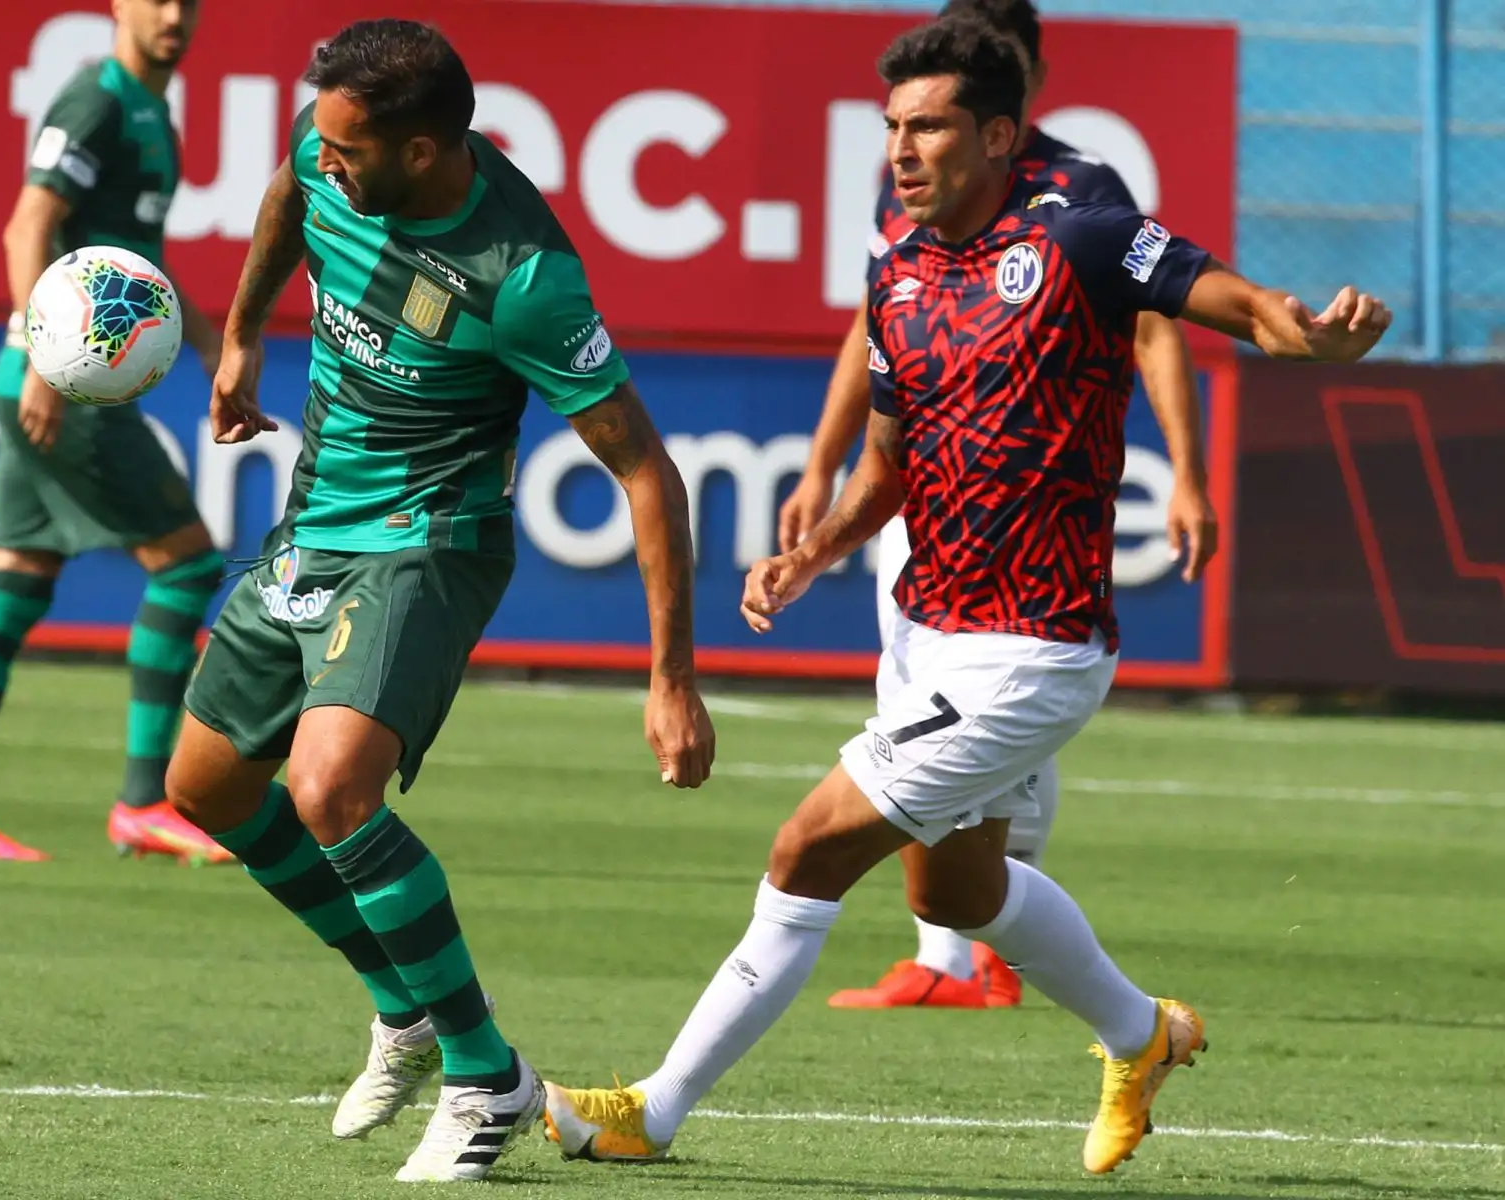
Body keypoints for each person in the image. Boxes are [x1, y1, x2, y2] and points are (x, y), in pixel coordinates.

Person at [544, 16, 1388, 1177]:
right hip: (935, 636)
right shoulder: (897, 274)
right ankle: (1142, 1036)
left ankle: (654, 1106)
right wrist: (816, 547)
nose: (901, 147)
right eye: (892, 126)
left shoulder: (1086, 235)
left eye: (929, 125)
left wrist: (1310, 338)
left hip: (1033, 653)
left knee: (805, 850)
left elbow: (1230, 303)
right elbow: (891, 467)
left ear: (999, 135)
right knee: (961, 886)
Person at [160, 19, 716, 1184]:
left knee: (327, 788)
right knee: (204, 787)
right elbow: (282, 200)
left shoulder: (524, 279)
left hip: (432, 542)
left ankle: (484, 1076)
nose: (327, 160)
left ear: (421, 154)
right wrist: (246, 334)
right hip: (317, 520)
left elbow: (646, 475)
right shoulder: (331, 158)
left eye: (350, 148)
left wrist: (671, 680)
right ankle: (401, 1010)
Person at [778, 0, 1217, 1011]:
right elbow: (875, 326)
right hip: (919, 492)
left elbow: (1155, 324)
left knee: (984, 706)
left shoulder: (1081, 191)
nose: (915, 137)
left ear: (1022, 81)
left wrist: (1187, 470)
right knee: (922, 698)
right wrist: (820, 464)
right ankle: (960, 948)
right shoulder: (915, 188)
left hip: (1017, 516)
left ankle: (963, 953)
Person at [0, 0, 231, 865]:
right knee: (189, 564)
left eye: (188, 1)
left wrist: (209, 336)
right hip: (60, 383)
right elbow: (28, 228)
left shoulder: (154, 111)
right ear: (118, 5)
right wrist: (45, 359)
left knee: (17, 578)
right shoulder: (96, 102)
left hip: (51, 380)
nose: (173, 15)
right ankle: (146, 801)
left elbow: (129, 260)